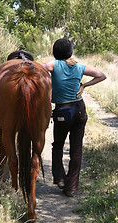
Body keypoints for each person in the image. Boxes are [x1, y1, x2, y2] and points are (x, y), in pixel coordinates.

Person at [42, 38, 106, 197]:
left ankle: (60, 178)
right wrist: (84, 85)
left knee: (57, 146)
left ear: (55, 52)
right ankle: (71, 187)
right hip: (79, 110)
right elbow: (101, 75)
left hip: (63, 111)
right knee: (76, 150)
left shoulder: (54, 65)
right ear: (70, 52)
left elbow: (38, 68)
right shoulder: (78, 66)